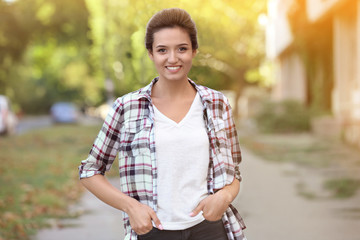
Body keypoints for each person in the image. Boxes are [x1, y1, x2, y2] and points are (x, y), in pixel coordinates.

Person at [79, 8, 246, 240]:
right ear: (151, 54)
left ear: (194, 51)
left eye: (182, 49)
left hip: (209, 228)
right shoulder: (127, 107)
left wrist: (224, 197)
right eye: (162, 50)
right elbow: (90, 171)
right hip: (153, 232)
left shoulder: (217, 103)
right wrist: (131, 207)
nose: (173, 58)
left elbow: (233, 173)